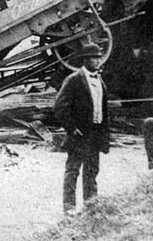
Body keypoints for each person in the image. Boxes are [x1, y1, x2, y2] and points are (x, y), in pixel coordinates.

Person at [53, 43, 110, 213]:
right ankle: (69, 208)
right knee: (73, 171)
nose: (98, 61)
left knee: (92, 171)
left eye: (99, 57)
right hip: (79, 134)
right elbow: (60, 107)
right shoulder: (73, 80)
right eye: (94, 57)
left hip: (96, 132)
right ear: (85, 60)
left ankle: (90, 205)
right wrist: (71, 128)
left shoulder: (100, 81)